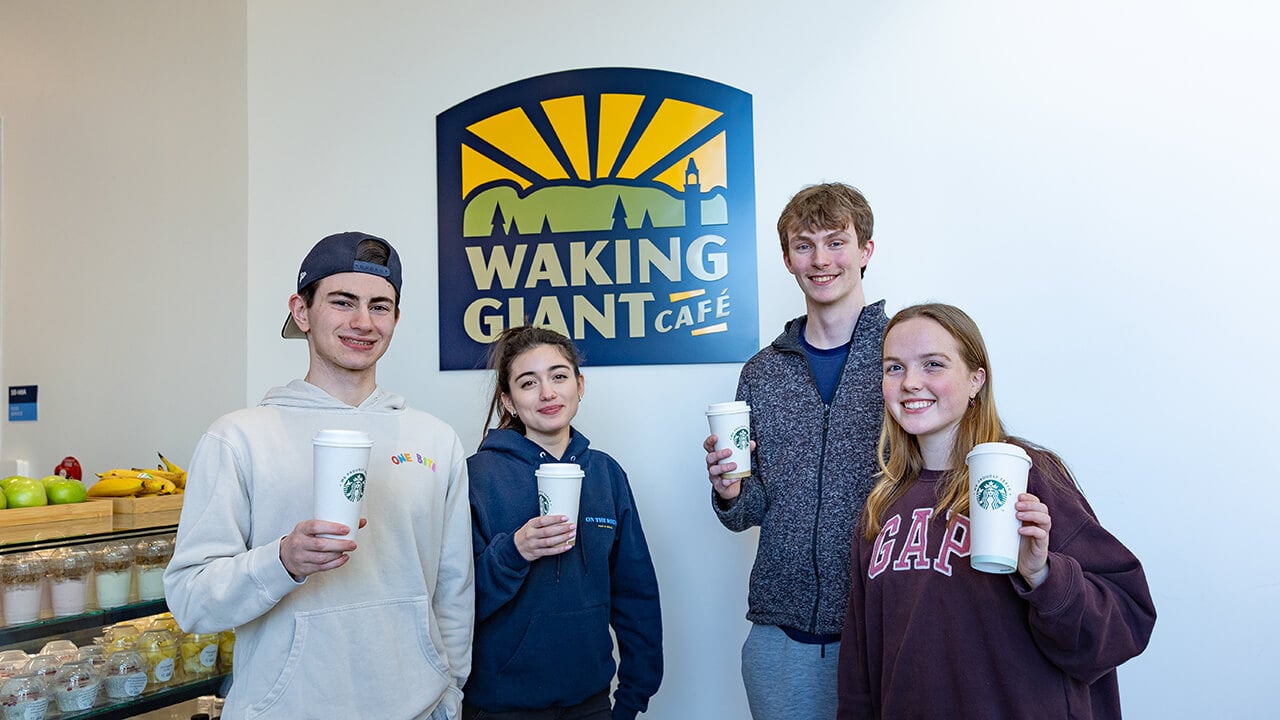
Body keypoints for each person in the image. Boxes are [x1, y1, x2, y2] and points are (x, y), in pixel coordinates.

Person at [164, 232, 474, 719]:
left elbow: (454, 588)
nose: (363, 322)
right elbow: (192, 601)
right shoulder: (239, 437)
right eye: (342, 302)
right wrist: (283, 561)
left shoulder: (435, 440)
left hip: (418, 708)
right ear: (301, 311)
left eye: (380, 306)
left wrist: (449, 693)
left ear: (395, 319)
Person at [837, 303, 1156, 719]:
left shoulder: (1030, 476)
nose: (911, 382)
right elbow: (860, 671)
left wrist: (1043, 574)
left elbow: (1127, 620)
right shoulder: (882, 506)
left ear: (976, 379)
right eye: (894, 368)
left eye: (933, 364)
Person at [702, 182, 887, 719]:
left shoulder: (903, 358)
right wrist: (730, 492)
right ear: (787, 259)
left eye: (836, 242)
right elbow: (750, 510)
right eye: (804, 245)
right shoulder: (762, 372)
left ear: (865, 250)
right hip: (780, 636)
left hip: (883, 627)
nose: (821, 259)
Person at [465, 325, 662, 720]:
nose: (547, 393)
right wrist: (514, 552)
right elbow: (456, 602)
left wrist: (631, 699)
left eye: (558, 376)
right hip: (500, 706)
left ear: (579, 384)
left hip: (590, 703)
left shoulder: (606, 474)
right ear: (508, 400)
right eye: (528, 383)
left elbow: (635, 593)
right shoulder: (477, 477)